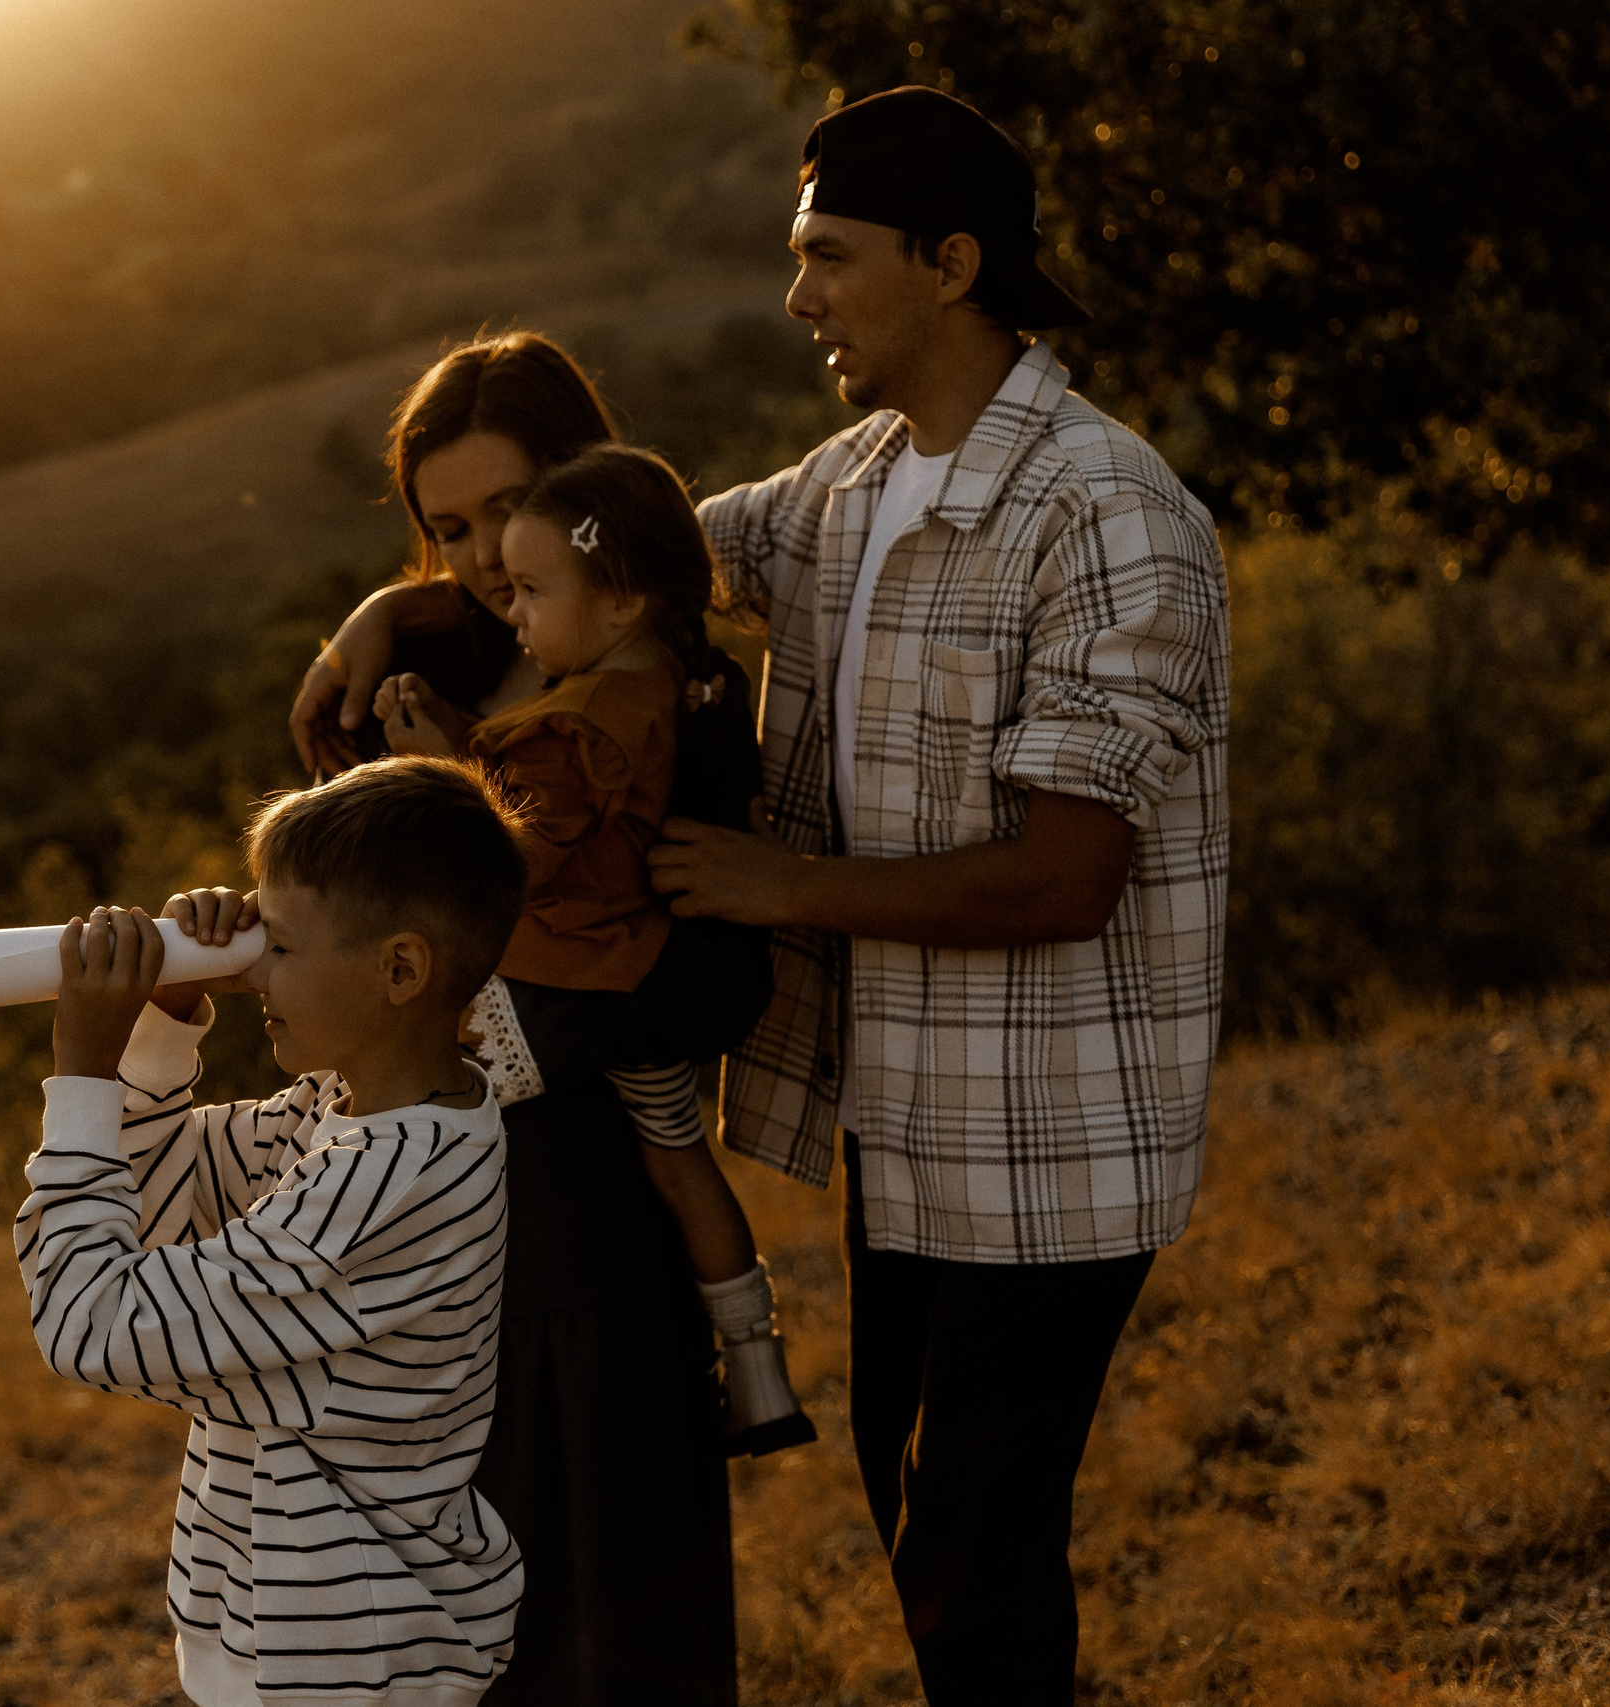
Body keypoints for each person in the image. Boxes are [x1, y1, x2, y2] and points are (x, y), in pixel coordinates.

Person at [297, 88, 1233, 1707]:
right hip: (906, 1130)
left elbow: (1074, 874)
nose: (796, 297)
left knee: (972, 1551)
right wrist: (401, 598)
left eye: (827, 258)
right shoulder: (846, 490)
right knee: (925, 1530)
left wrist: (776, 880)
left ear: (951, 264)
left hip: (1054, 1138)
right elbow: (593, 572)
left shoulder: (1110, 514)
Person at [291, 331, 753, 1706]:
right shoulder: (403, 703)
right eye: (448, 528)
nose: (488, 553)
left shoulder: (679, 697)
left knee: (628, 1667)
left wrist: (507, 1039)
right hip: (416, 1277)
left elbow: (716, 978)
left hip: (598, 1264)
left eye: (513, 507)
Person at [14, 757, 531, 1707]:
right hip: (298, 1646)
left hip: (346, 1665)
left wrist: (82, 1067)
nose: (252, 971)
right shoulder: (354, 1115)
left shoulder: (382, 1186)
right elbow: (167, 1203)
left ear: (401, 969)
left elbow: (90, 1321)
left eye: (279, 945)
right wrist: (167, 1016)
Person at [372, 441, 814, 1455]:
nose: (510, 610)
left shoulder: (587, 722)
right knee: (679, 1164)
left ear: (618, 602)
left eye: (531, 589)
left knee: (428, 1084)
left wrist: (436, 769)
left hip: (577, 972)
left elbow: (519, 854)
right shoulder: (661, 686)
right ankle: (755, 1370)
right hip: (635, 971)